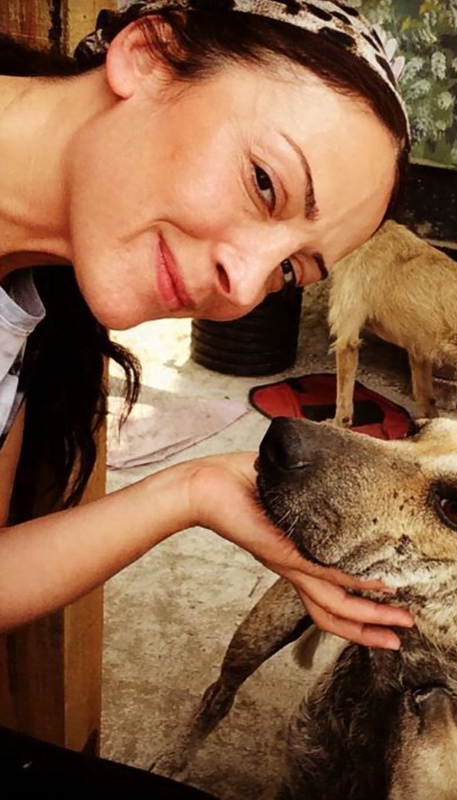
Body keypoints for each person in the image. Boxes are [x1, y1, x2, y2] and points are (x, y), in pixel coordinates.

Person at [0, 0, 415, 650]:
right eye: (263, 183)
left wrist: (191, 492)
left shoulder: (23, 312)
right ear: (151, 53)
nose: (247, 285)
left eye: (288, 274)